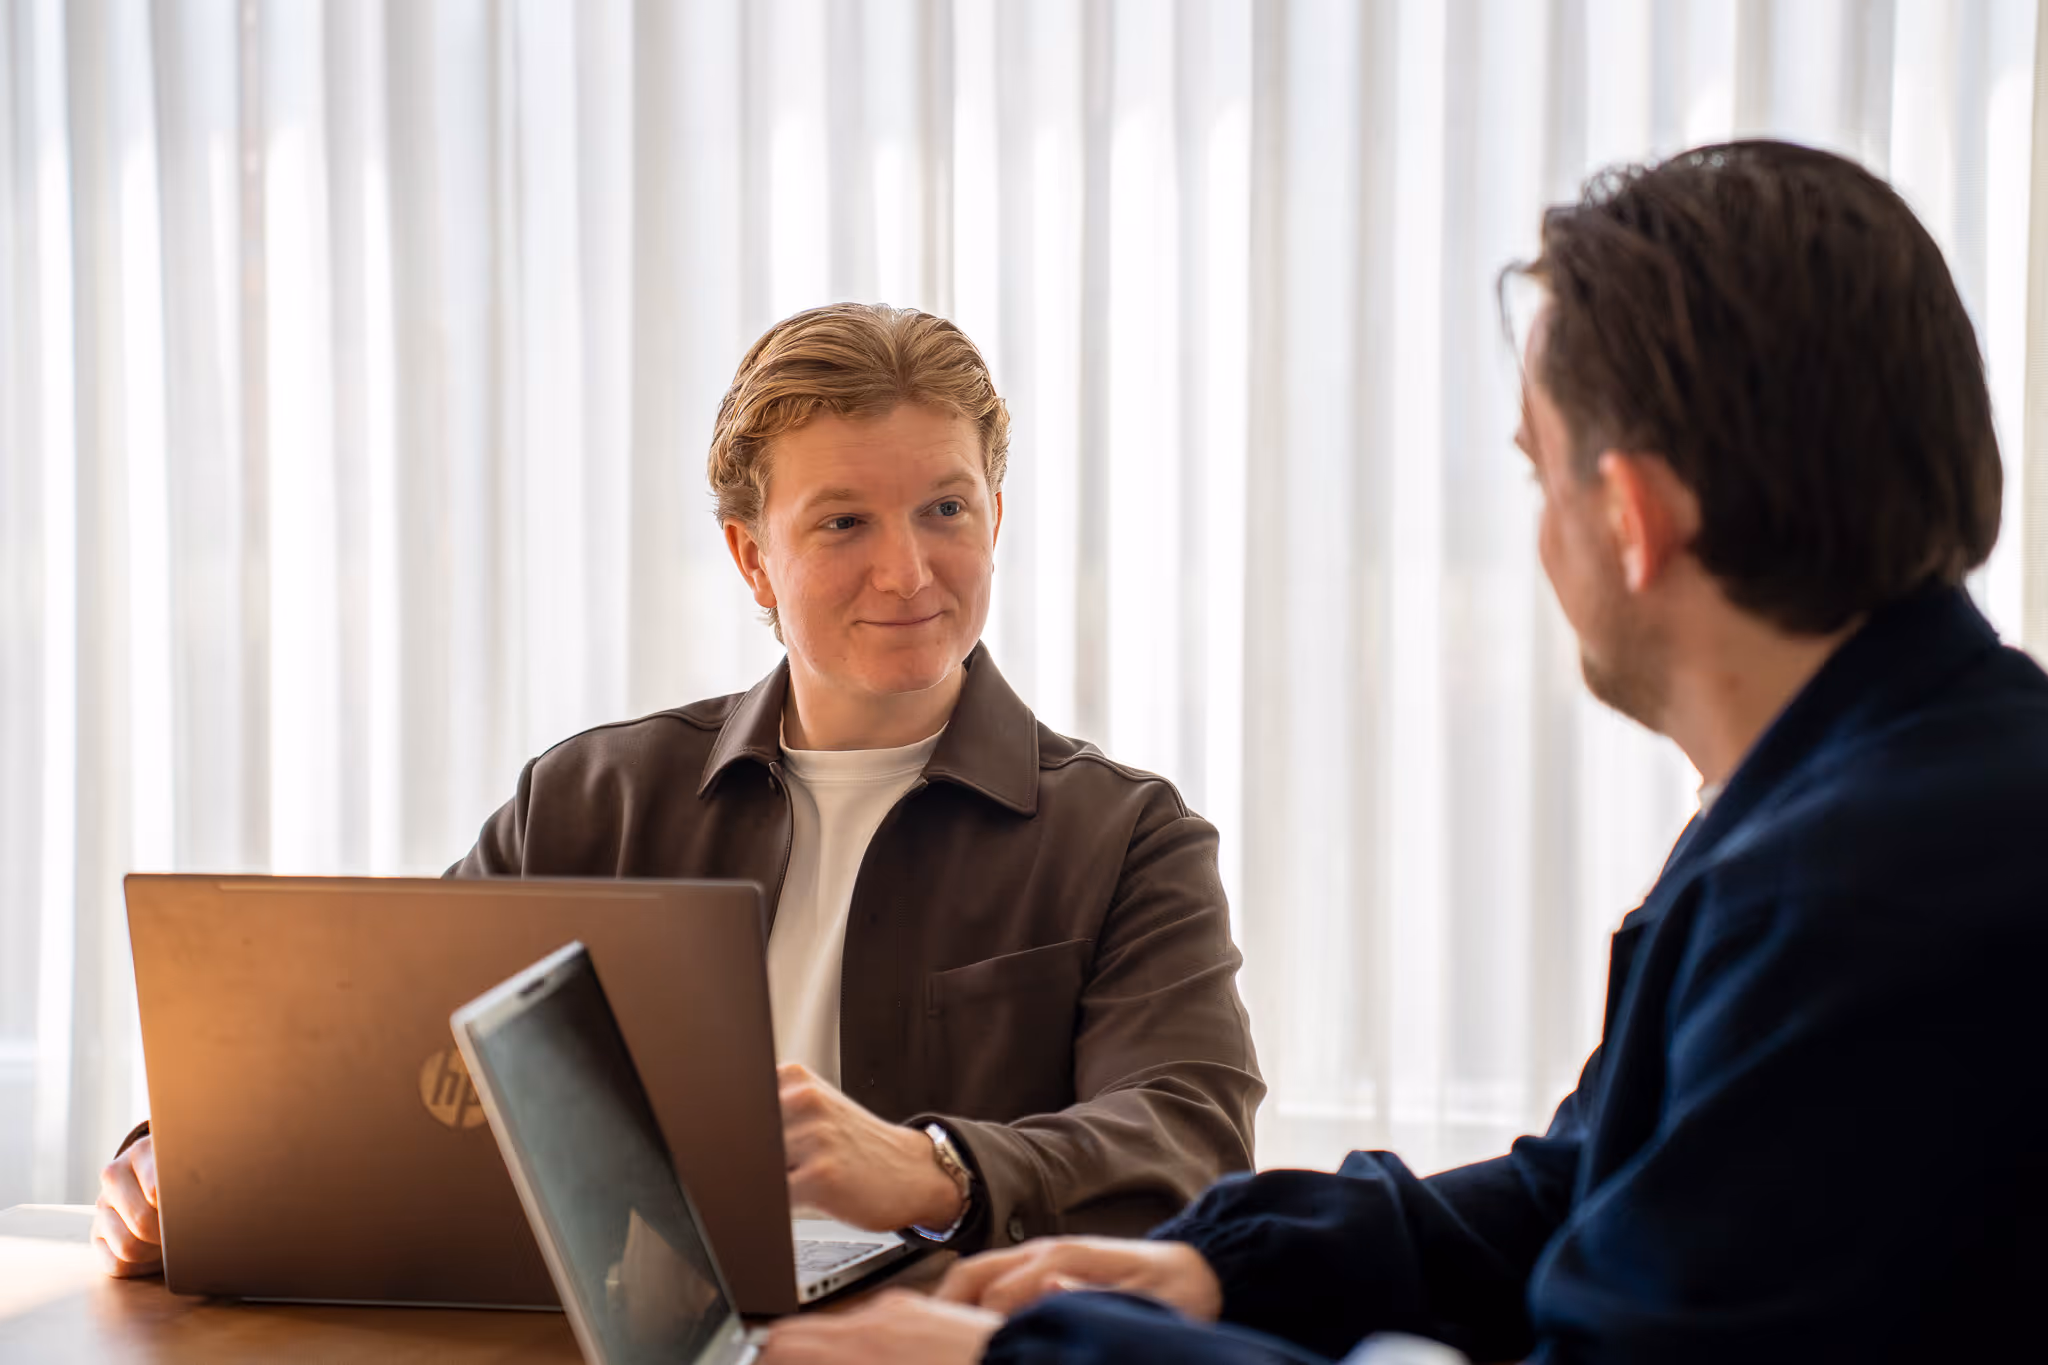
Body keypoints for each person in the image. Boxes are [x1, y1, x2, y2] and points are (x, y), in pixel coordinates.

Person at [758, 142, 2048, 1364]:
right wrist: (1228, 1270)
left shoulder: (1845, 904)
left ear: (1632, 518)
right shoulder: (1876, 794)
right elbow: (1584, 1186)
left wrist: (1034, 1354)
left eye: (1537, 475)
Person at [92, 303, 1263, 1277]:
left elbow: (1189, 1144)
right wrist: (184, 1160)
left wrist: (932, 1166)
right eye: (842, 521)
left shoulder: (1128, 838)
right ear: (752, 556)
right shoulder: (591, 797)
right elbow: (390, 1055)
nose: (907, 570)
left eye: (944, 509)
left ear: (994, 517)